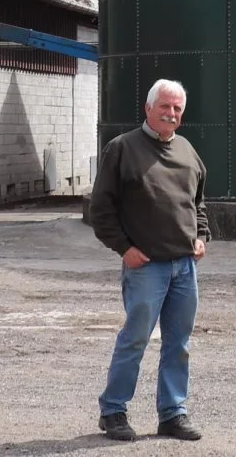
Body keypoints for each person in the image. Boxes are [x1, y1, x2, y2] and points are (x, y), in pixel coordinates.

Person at [89, 77, 208, 442]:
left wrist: (201, 236)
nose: (171, 114)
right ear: (148, 108)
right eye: (165, 107)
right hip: (146, 267)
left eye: (177, 109)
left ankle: (173, 413)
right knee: (136, 338)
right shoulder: (122, 148)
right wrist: (124, 249)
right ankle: (113, 411)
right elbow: (101, 208)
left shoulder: (188, 151)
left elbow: (198, 202)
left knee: (179, 342)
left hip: (184, 266)